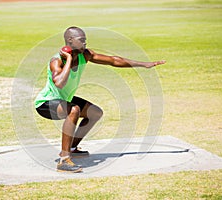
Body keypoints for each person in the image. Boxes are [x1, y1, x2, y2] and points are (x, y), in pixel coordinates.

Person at [35, 26, 165, 173]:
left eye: (85, 40)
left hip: (64, 99)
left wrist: (143, 64)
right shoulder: (57, 60)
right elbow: (59, 83)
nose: (85, 44)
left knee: (95, 113)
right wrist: (69, 59)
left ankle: (72, 148)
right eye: (81, 40)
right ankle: (64, 160)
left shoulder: (86, 55)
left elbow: (114, 60)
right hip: (46, 103)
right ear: (69, 41)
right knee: (74, 110)